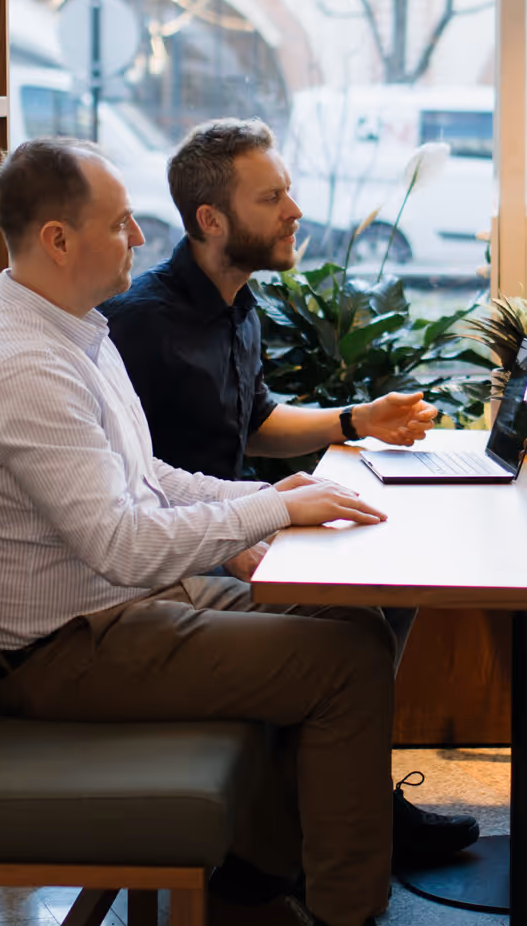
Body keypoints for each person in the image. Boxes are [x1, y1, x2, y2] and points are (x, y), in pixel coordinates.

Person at [0, 135, 500, 926]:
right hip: (60, 649)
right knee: (343, 658)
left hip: (112, 612)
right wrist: (269, 517)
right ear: (56, 239)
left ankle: (249, 885)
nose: (135, 235)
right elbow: (119, 540)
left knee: (350, 601)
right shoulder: (22, 367)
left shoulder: (74, 332)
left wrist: (278, 495)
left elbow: (150, 477)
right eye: (117, 223)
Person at [103, 117, 478, 872]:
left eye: (288, 192)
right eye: (271, 197)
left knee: (390, 582)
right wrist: (241, 537)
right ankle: (323, 827)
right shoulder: (138, 327)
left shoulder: (238, 302)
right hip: (178, 560)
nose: (294, 212)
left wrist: (355, 420)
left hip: (232, 529)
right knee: (359, 612)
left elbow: (255, 422)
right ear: (211, 220)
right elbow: (124, 483)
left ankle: (349, 798)